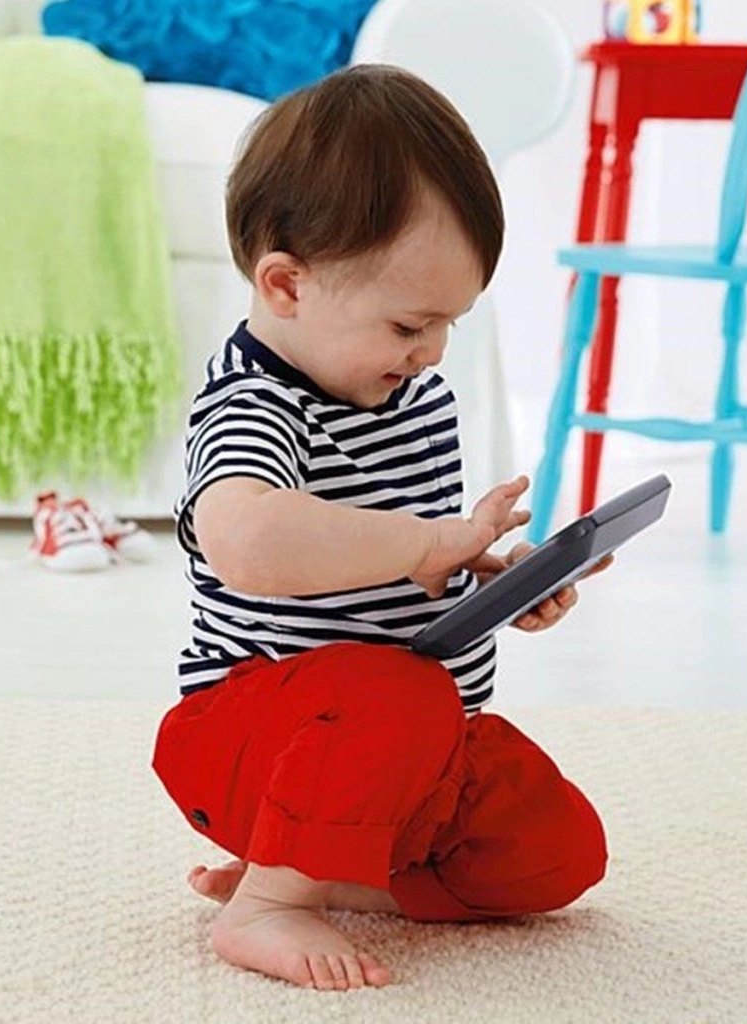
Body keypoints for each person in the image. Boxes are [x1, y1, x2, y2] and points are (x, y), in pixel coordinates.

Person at [151, 63, 611, 993]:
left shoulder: (409, 397)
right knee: (398, 695)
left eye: (449, 324)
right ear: (286, 284)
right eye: (408, 325)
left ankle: (323, 868)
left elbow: (407, 566)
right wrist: (424, 543)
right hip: (254, 740)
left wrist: (484, 579)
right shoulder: (255, 408)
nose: (431, 352)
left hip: (410, 753)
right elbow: (248, 542)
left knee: (561, 851)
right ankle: (268, 903)